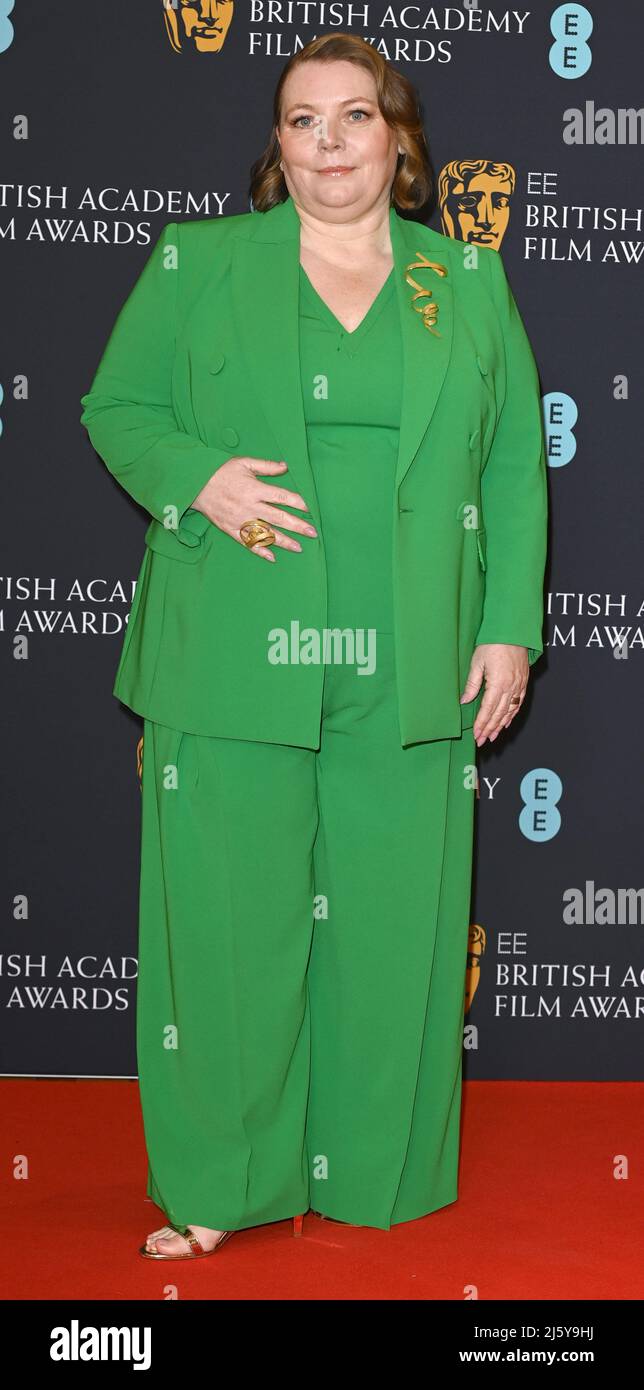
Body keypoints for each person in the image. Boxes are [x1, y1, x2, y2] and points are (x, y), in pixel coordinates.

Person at [79, 32, 548, 1260]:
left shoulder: (468, 283)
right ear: (274, 145)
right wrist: (200, 480)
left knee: (394, 926)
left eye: (353, 118)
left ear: (396, 140)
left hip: (414, 655)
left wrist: (507, 630)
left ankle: (372, 1178)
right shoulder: (199, 261)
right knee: (228, 928)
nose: (328, 144)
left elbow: (508, 469)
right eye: (302, 121)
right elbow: (114, 405)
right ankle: (217, 1187)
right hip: (235, 643)